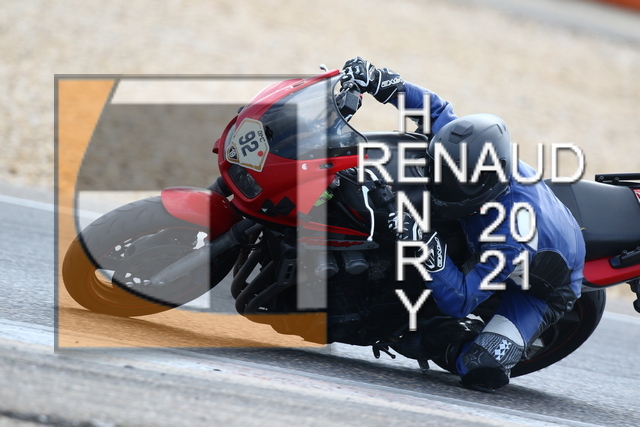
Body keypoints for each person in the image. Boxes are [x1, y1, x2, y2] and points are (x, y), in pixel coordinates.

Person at [340, 57, 586, 391]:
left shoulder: (510, 239)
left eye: (449, 178)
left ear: (481, 185)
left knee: (481, 370)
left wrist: (420, 239)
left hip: (540, 287)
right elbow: (436, 109)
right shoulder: (471, 153)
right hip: (514, 223)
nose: (436, 180)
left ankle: (437, 335)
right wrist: (380, 81)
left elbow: (461, 300)